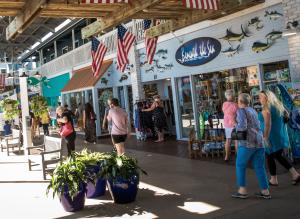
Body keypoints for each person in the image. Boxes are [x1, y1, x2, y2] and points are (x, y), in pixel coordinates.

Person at [232, 93, 270, 199]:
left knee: (240, 165)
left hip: (247, 143)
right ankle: (265, 191)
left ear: (240, 101)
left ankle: (242, 190)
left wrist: (234, 123)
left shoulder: (241, 111)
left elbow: (242, 127)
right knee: (259, 166)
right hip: (259, 141)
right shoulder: (253, 110)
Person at [259, 90, 300, 186]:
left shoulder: (267, 108)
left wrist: (265, 138)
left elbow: (268, 125)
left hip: (271, 136)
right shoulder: (278, 106)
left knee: (271, 156)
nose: (259, 99)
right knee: (278, 156)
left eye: (261, 97)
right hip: (279, 135)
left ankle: (274, 179)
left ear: (267, 98)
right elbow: (285, 119)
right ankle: (294, 174)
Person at [222, 89, 238, 161]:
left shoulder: (224, 104)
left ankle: (226, 157)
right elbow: (238, 114)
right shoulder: (235, 105)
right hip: (234, 124)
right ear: (232, 96)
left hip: (227, 125)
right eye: (233, 95)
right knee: (236, 141)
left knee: (228, 140)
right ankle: (238, 157)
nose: (234, 96)